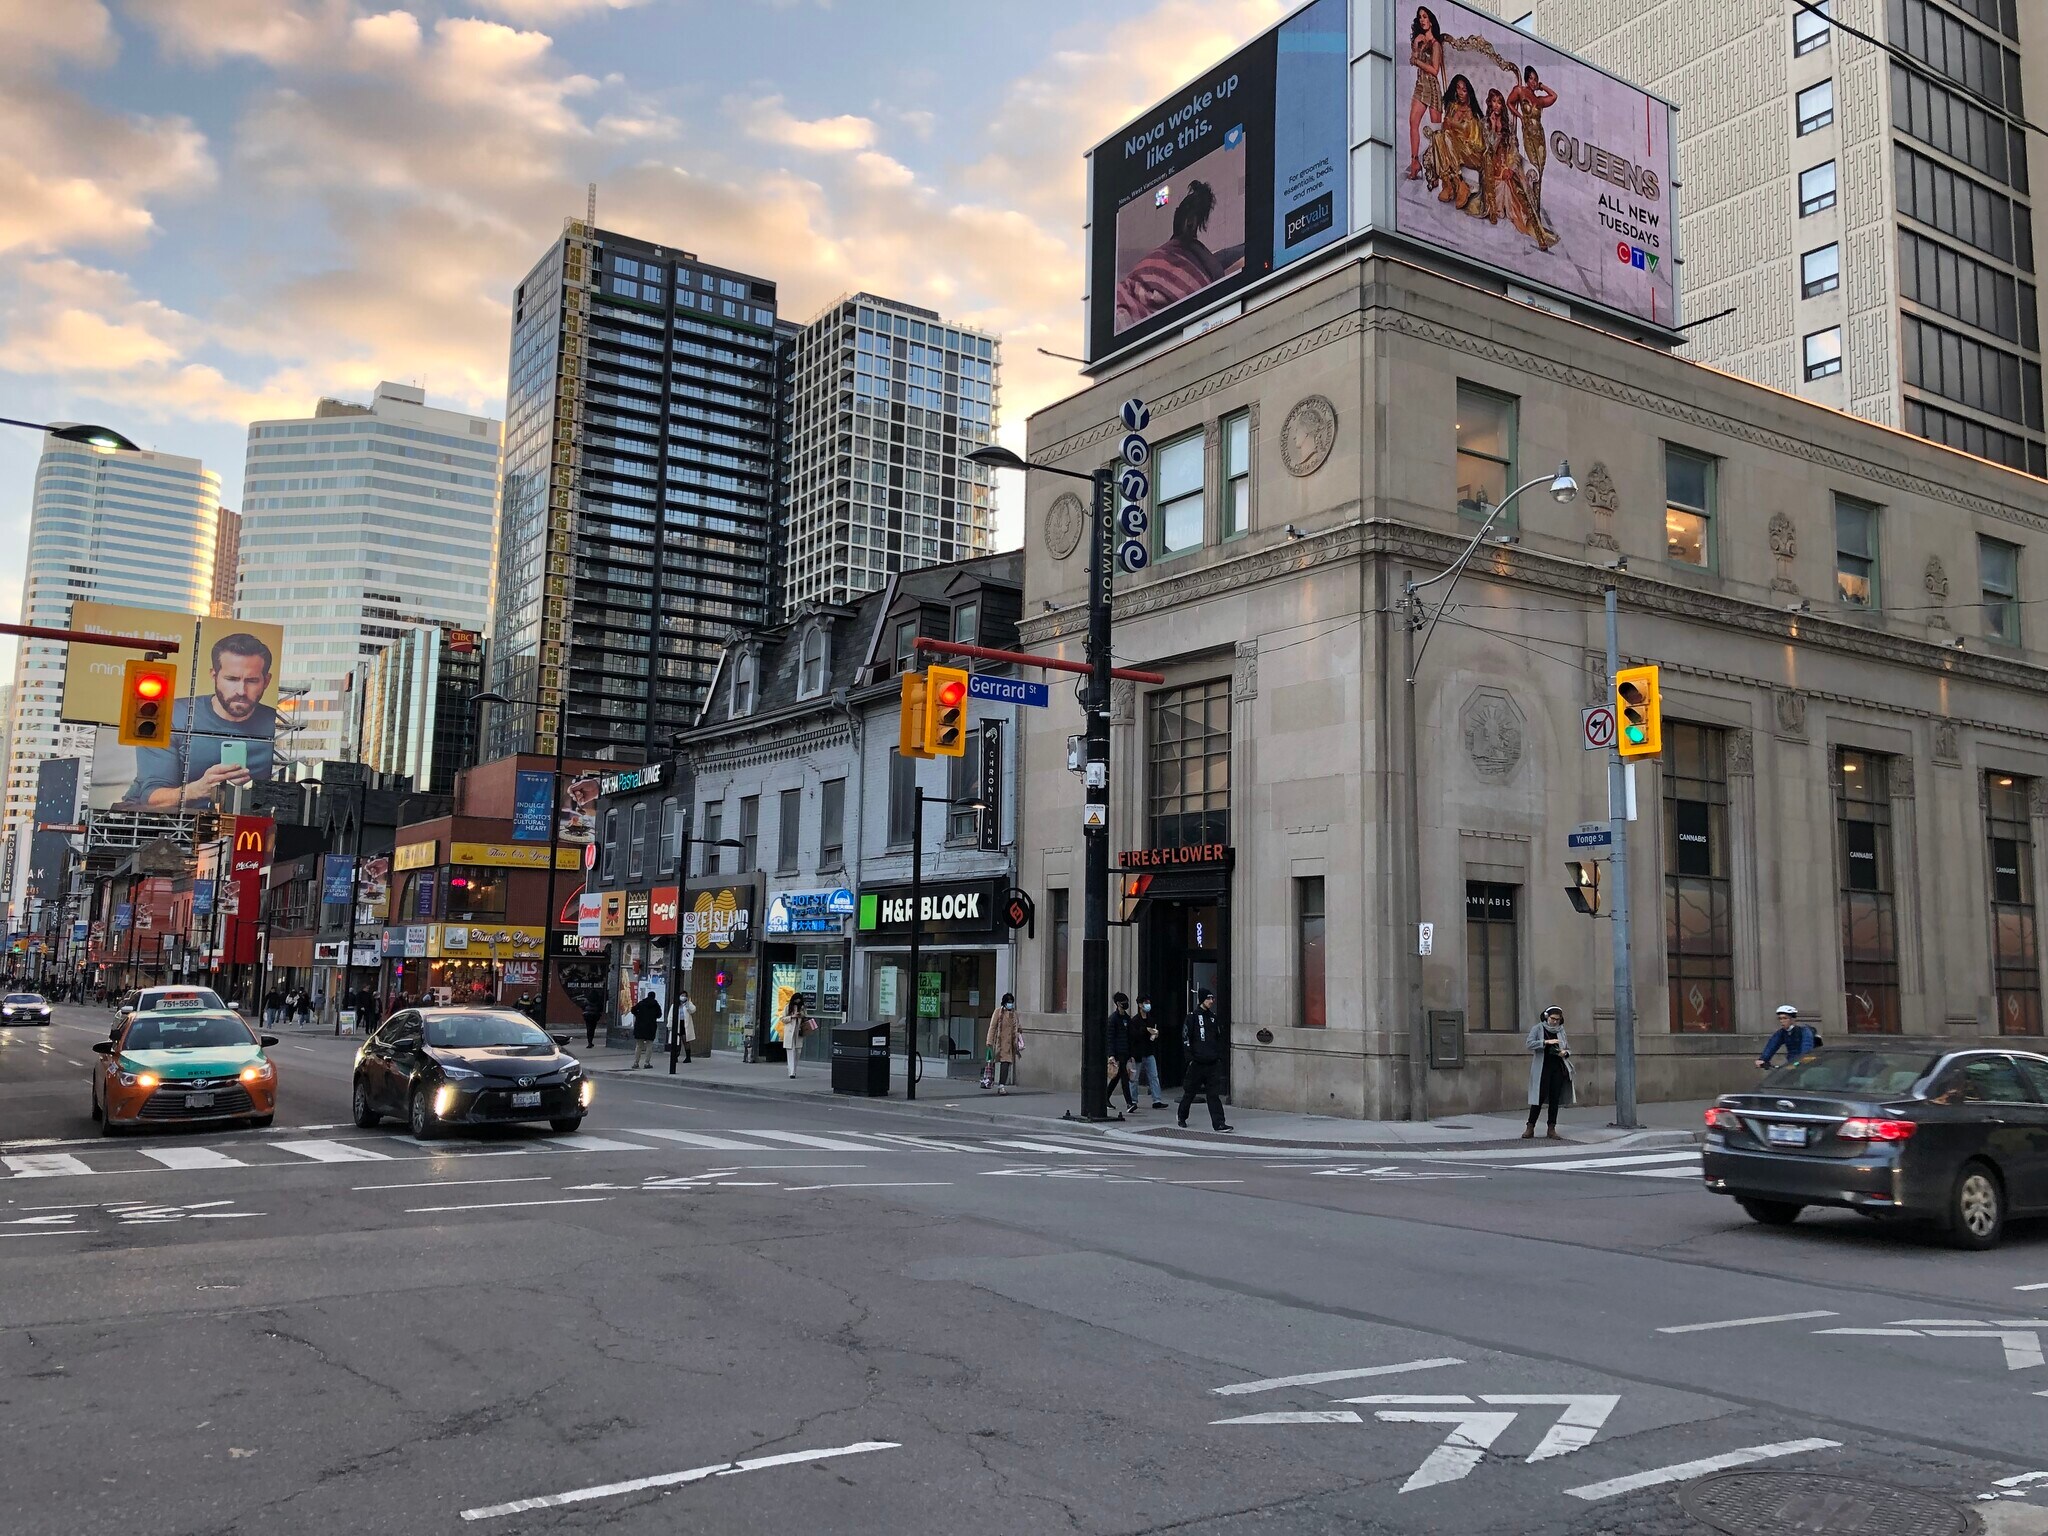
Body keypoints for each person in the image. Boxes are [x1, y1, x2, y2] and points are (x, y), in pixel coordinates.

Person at [127, 631, 280, 810]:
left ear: (267, 681)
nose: (241, 690)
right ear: (214, 675)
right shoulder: (171, 715)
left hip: (242, 827)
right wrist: (198, 790)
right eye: (231, 679)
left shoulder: (279, 726)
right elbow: (151, 797)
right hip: (162, 823)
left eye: (252, 681)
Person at [1112, 179, 1248, 332]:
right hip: (1201, 263)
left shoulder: (1186, 253)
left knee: (1228, 256)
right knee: (1226, 257)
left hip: (1198, 260)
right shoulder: (1192, 256)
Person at [1179, 990, 1232, 1132]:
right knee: (1190, 1092)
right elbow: (1185, 1037)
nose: (1212, 1001)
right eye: (1209, 998)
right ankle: (1182, 1116)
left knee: (1213, 1095)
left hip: (1212, 1062)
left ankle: (1219, 1123)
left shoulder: (1213, 1018)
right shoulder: (1192, 1017)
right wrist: (1190, 1058)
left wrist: (1219, 1056)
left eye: (1212, 998)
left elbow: (1219, 1038)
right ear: (1202, 1000)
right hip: (1197, 1062)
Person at [1406, 5, 1446, 180]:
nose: (1422, 19)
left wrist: (1417, 62)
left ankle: (1440, 167)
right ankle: (1415, 161)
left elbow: (1435, 69)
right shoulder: (1420, 40)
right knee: (1413, 122)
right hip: (1420, 85)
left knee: (1437, 131)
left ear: (1430, 20)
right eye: (1420, 17)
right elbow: (1412, 58)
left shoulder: (1436, 44)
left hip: (1432, 88)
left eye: (1425, 16)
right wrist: (1416, 44)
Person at [1524, 1004, 1575, 1140]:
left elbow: (1568, 1048)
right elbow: (1529, 1044)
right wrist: (1546, 1042)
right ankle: (1530, 1127)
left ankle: (1551, 1128)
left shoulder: (1561, 1031)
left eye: (1557, 1019)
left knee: (1554, 1099)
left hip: (1557, 1067)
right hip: (1542, 1068)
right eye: (1552, 1019)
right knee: (1538, 1099)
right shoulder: (1538, 1028)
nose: (1554, 1022)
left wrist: (1565, 1053)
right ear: (1547, 1017)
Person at [1129, 996, 1166, 1108]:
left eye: (1149, 1002)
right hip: (1138, 1053)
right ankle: (1133, 1100)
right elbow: (1133, 1036)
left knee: (1154, 1076)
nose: (1148, 1005)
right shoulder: (1135, 1020)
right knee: (1134, 1078)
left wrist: (1155, 1034)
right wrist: (1145, 1030)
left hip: (1149, 1051)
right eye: (1145, 1003)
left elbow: (1153, 1033)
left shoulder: (1151, 1019)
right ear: (1140, 1005)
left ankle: (1157, 1100)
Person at [1757, 1005, 1821, 1070]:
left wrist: (1799, 1062)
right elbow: (1772, 1045)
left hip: (1807, 1064)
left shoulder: (1804, 1031)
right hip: (1792, 1063)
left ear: (1792, 1019)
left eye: (1785, 1018)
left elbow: (1807, 1048)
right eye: (1780, 1018)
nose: (1782, 1021)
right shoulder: (1782, 1033)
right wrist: (1763, 1059)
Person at [1107, 993, 1139, 1113]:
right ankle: (1129, 1103)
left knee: (1117, 1078)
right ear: (1118, 1004)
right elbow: (1110, 1038)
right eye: (1124, 1001)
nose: (1126, 1003)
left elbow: (1130, 1036)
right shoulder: (1113, 1019)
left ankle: (1105, 1097)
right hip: (1117, 1053)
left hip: (1125, 1052)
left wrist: (1131, 1054)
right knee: (1124, 1077)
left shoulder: (1127, 1018)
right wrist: (1111, 1055)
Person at [985, 993, 1021, 1094]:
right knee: (1004, 1063)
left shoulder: (1014, 1014)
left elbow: (1017, 1026)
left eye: (1011, 1003)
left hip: (1010, 1044)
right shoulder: (999, 1012)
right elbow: (992, 1027)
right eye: (1009, 1002)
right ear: (1004, 1003)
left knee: (1007, 1063)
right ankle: (1000, 1086)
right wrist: (989, 1041)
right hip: (1000, 1042)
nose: (1010, 1005)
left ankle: (1001, 1085)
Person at [778, 992, 809, 1078]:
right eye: (796, 1000)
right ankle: (791, 1072)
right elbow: (782, 1019)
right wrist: (792, 1017)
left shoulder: (802, 1007)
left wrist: (801, 1015)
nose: (797, 1002)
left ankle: (794, 1070)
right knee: (791, 1051)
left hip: (799, 1031)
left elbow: (806, 1017)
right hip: (790, 1032)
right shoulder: (788, 1007)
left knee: (798, 1052)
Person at [630, 986, 661, 1069]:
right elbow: (659, 1015)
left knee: (639, 1045)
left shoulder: (641, 1003)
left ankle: (636, 1063)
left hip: (640, 1026)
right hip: (650, 1027)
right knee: (649, 1045)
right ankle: (647, 1063)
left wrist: (638, 1015)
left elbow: (633, 1009)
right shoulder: (656, 1005)